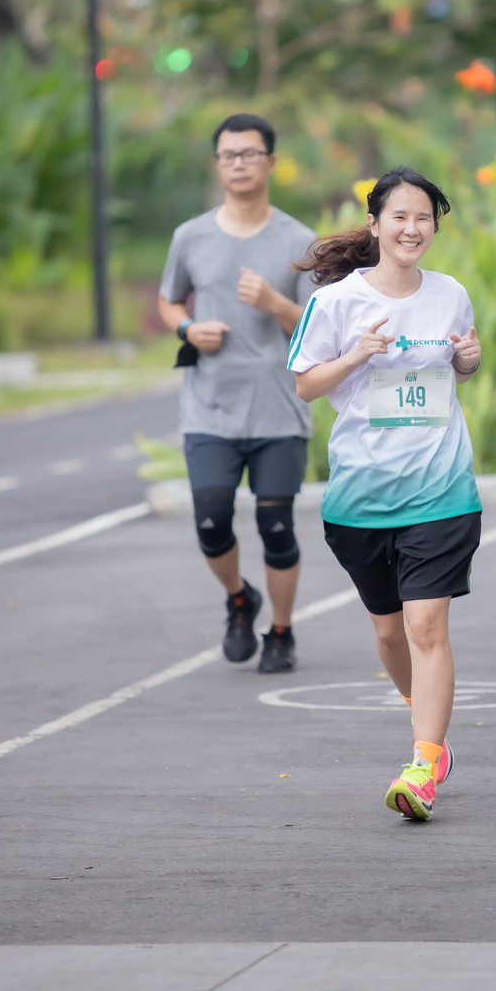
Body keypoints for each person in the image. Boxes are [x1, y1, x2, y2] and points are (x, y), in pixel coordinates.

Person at [288, 167, 482, 822]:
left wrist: (467, 358)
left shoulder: (451, 294)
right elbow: (308, 385)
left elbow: (462, 366)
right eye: (398, 216)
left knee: (427, 625)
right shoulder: (337, 302)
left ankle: (424, 761)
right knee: (389, 631)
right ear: (375, 225)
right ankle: (422, 714)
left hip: (441, 488)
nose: (411, 227)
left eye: (423, 216)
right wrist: (356, 356)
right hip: (360, 494)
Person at [158, 113, 316, 672]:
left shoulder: (299, 240)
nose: (240, 164)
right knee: (211, 520)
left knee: (277, 527)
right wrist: (186, 328)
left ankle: (281, 630)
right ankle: (238, 599)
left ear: (270, 162)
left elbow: (319, 327)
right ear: (218, 163)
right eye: (230, 155)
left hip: (277, 408)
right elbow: (170, 300)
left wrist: (276, 303)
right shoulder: (191, 236)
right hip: (210, 408)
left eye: (250, 154)